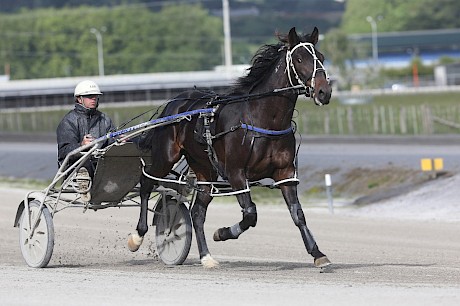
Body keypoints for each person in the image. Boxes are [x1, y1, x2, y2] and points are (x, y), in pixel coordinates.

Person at [56, 80, 116, 201]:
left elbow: (112, 139)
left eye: (95, 96)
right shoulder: (69, 121)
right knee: (85, 159)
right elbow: (64, 151)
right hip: (75, 167)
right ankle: (83, 181)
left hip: (101, 163)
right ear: (79, 99)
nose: (93, 99)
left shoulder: (104, 119)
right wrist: (81, 145)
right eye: (89, 96)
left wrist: (119, 141)